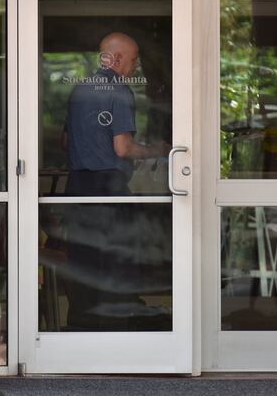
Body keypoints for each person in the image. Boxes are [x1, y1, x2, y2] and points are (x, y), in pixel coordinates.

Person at [61, 32, 171, 330]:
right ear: (119, 59)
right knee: (114, 259)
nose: (136, 66)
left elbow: (66, 139)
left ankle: (82, 324)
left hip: (77, 187)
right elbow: (123, 148)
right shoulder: (119, 90)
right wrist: (155, 150)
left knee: (83, 260)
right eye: (134, 60)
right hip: (107, 187)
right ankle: (115, 328)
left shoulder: (80, 90)